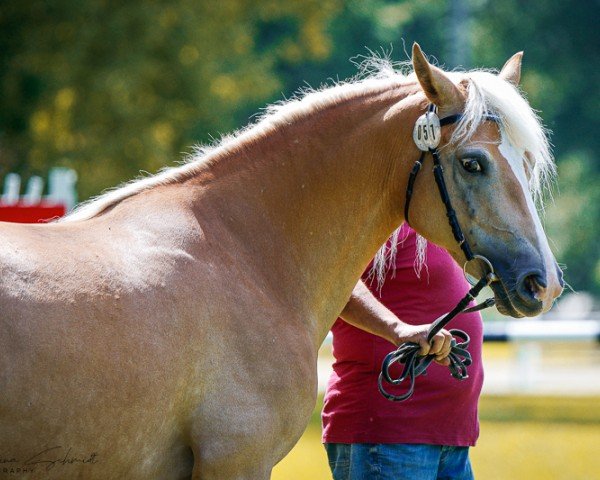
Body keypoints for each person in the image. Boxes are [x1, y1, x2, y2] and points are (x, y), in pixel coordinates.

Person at [323, 224, 484, 480]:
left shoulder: (431, 221)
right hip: (389, 431)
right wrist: (397, 329)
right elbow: (333, 276)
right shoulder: (373, 213)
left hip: (449, 432)